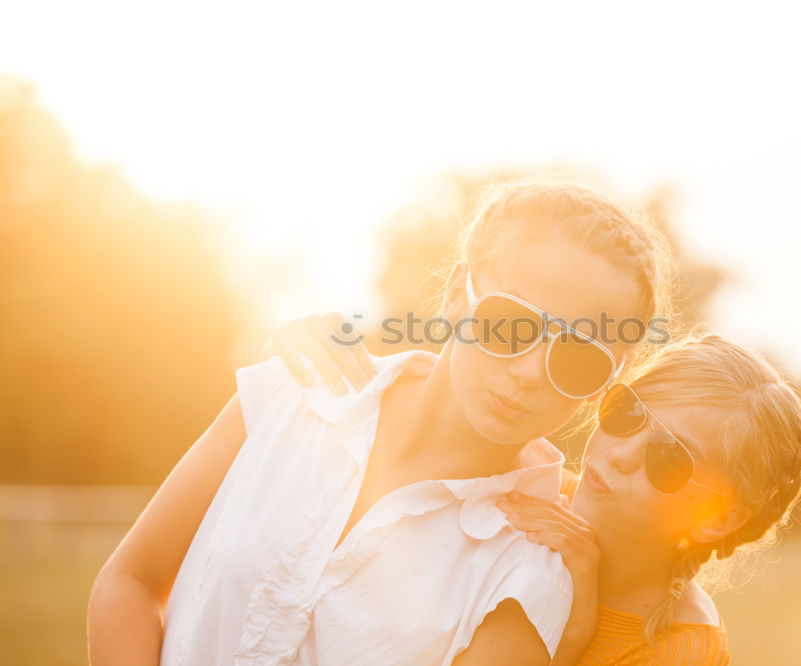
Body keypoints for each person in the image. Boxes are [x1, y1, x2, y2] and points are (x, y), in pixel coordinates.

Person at [87, 181, 672, 665]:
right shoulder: (297, 387)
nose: (528, 371)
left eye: (577, 358)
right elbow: (131, 584)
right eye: (510, 324)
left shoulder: (532, 565)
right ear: (456, 296)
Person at [282, 329, 801, 665]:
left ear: (717, 518)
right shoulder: (526, 481)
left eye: (668, 457)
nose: (621, 452)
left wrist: (575, 620)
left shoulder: (680, 651)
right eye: (627, 412)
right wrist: (313, 349)